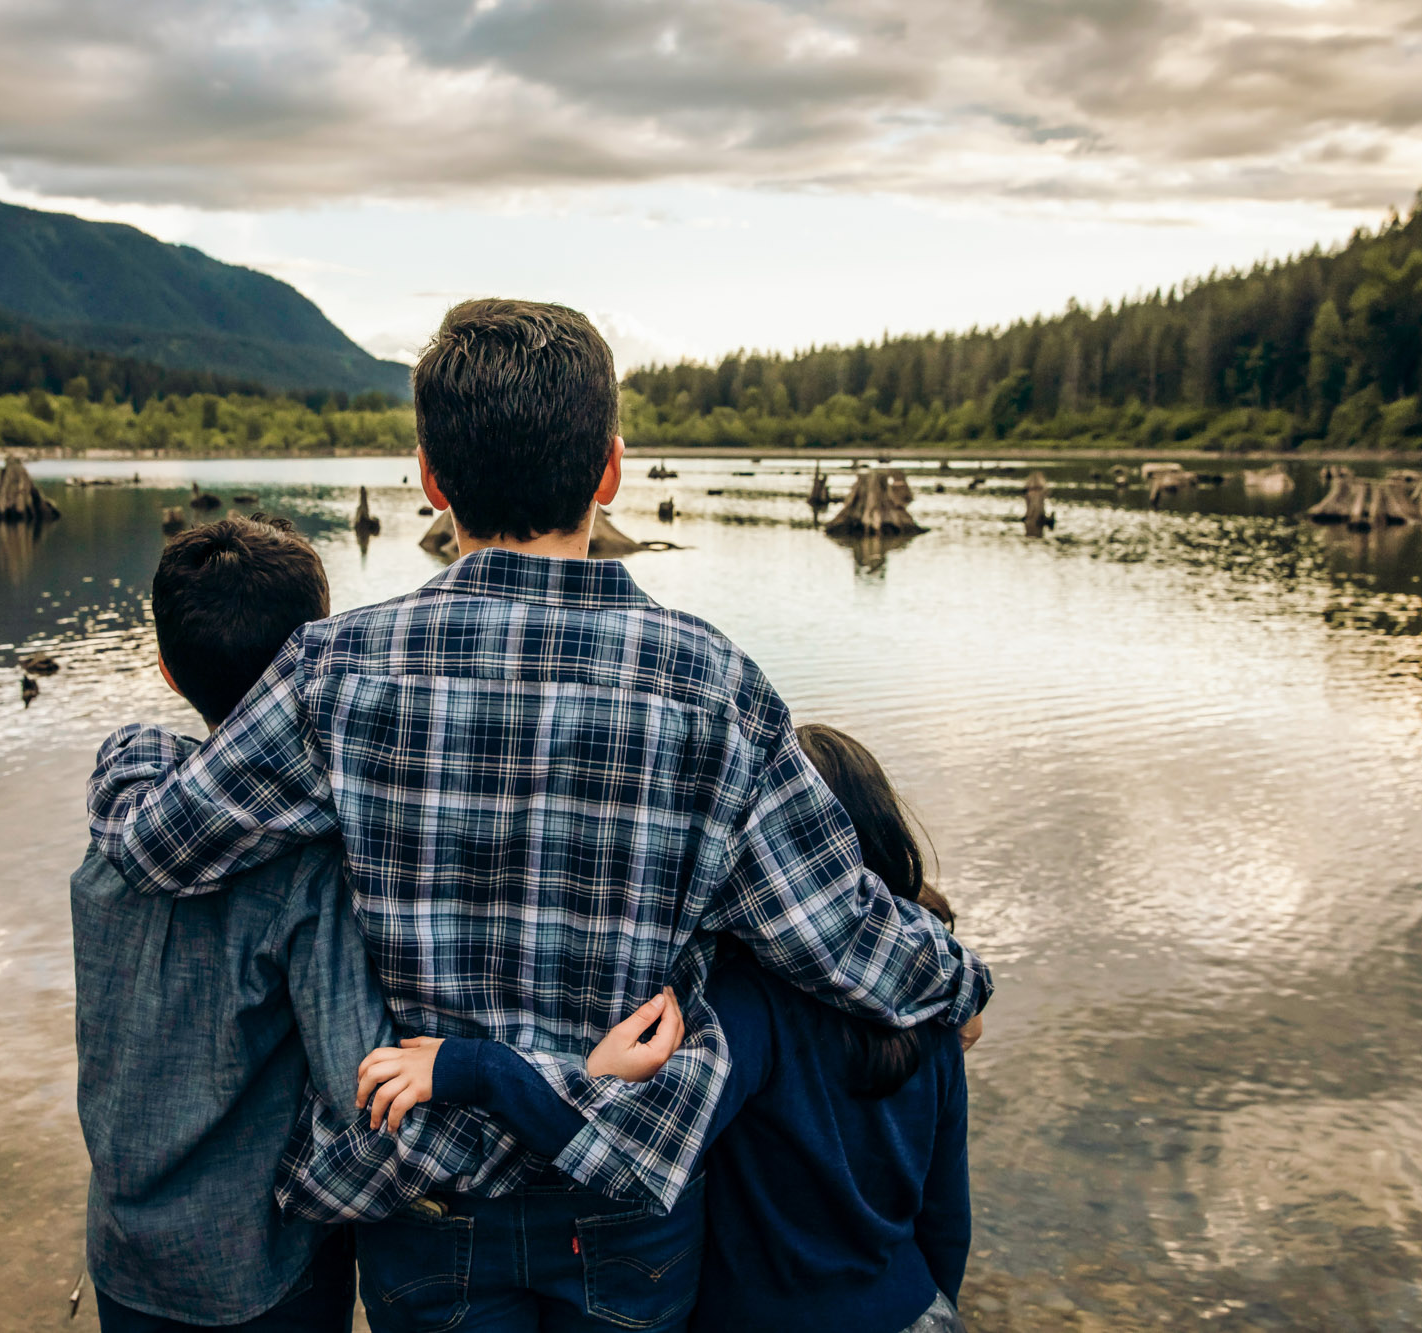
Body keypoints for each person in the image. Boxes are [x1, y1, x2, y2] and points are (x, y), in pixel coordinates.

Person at [88, 299, 991, 1331]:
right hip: (623, 1204)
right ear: (608, 472)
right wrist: (958, 982)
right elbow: (841, 933)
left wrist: (132, 757)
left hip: (424, 1198)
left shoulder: (330, 674)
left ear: (430, 477)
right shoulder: (713, 686)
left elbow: (163, 849)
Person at [363, 723, 974, 1333]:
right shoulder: (932, 1003)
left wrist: (471, 1067)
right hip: (916, 1309)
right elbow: (948, 1214)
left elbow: (634, 1144)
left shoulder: (748, 1008)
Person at [71, 515, 374, 1333]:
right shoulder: (306, 870)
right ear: (307, 664)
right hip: (262, 1269)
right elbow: (358, 1088)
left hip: (125, 1252)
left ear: (168, 669)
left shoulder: (111, 837)